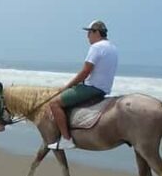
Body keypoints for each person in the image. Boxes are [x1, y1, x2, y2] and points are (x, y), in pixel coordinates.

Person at [47, 20, 118, 150]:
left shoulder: (96, 47)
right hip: (104, 89)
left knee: (54, 103)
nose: (88, 36)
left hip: (91, 88)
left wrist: (68, 86)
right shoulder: (113, 47)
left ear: (96, 32)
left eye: (89, 32)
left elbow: (85, 71)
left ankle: (67, 139)